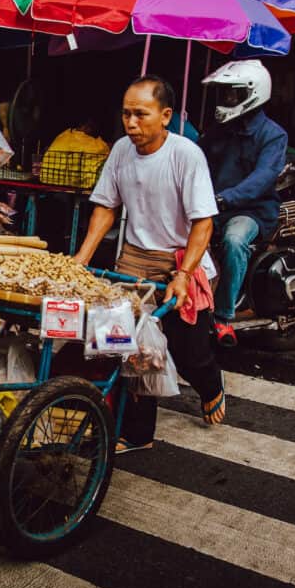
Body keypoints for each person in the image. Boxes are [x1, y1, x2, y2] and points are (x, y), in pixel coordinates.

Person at [74, 75, 226, 451]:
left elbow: (203, 222)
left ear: (166, 116)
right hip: (134, 259)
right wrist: (81, 258)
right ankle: (138, 435)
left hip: (180, 259)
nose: (131, 123)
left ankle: (211, 385)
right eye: (126, 114)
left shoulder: (186, 154)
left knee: (190, 354)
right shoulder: (121, 151)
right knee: (131, 350)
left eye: (141, 114)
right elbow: (106, 207)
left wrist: (184, 274)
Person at [199, 60, 288, 347]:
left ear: (252, 94)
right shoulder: (217, 131)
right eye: (223, 94)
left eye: (231, 95)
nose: (226, 100)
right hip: (214, 205)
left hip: (251, 211)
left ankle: (223, 317)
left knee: (234, 241)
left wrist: (226, 199)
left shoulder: (272, 135)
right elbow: (196, 159)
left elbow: (263, 178)